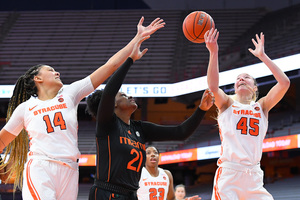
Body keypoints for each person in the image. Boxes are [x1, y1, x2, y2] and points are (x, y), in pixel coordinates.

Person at [0, 16, 165, 200]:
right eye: (50, 70)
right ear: (37, 79)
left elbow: (109, 67)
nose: (57, 72)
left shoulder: (70, 94)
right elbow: (2, 140)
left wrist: (137, 39)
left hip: (70, 170)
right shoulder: (26, 108)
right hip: (41, 166)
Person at [85, 34, 214, 200]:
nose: (129, 96)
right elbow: (109, 91)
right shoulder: (107, 124)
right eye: (123, 95)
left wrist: (202, 109)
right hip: (107, 193)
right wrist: (130, 59)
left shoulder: (140, 128)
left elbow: (180, 132)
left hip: (131, 195)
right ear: (113, 105)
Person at [205, 28, 290, 200]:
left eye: (246, 77)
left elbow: (284, 83)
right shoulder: (227, 103)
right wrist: (213, 52)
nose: (241, 79)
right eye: (238, 78)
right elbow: (213, 87)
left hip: (254, 176)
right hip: (230, 174)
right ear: (235, 87)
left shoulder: (262, 107)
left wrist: (263, 57)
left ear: (255, 88)